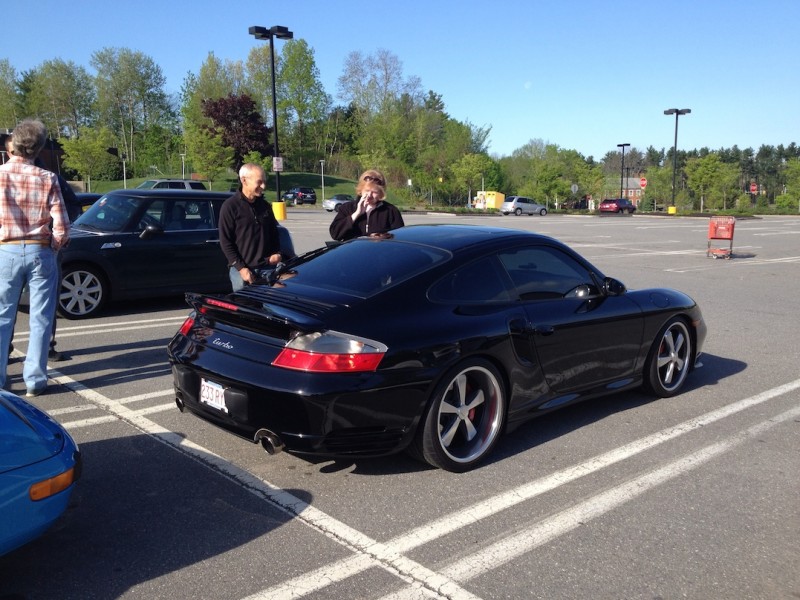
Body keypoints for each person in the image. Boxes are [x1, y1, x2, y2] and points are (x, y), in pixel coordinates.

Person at [0, 120, 70, 397]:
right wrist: (52, 247)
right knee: (40, 318)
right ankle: (35, 381)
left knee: (2, 316)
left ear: (14, 144)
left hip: (7, 249)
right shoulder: (48, 178)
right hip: (40, 249)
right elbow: (62, 227)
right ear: (39, 148)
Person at [218, 163, 286, 292]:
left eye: (264, 182)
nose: (263, 186)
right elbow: (226, 242)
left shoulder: (265, 206)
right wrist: (241, 268)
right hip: (243, 272)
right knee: (245, 309)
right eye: (259, 182)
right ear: (244, 180)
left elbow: (274, 233)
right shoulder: (230, 206)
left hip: (267, 269)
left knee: (269, 309)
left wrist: (277, 253)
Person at [329, 169, 404, 241]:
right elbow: (335, 234)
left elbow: (400, 238)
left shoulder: (390, 211)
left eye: (374, 192)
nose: (369, 195)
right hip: (352, 252)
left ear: (381, 193)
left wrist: (382, 237)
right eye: (367, 191)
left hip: (379, 252)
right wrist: (356, 214)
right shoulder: (347, 208)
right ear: (361, 190)